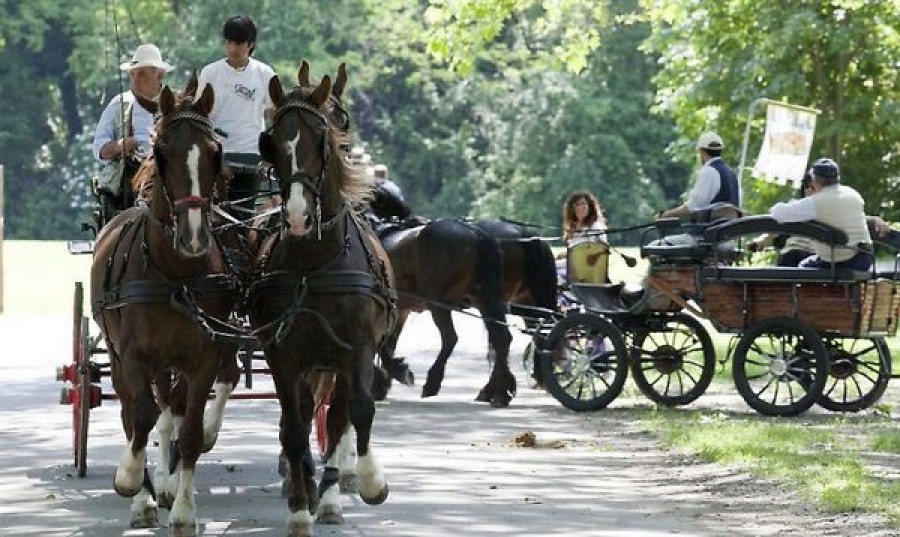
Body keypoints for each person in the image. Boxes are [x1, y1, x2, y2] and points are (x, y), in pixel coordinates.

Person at [198, 14, 276, 217]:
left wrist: (269, 156)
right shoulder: (210, 73)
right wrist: (217, 159)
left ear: (250, 45)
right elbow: (199, 119)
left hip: (251, 160)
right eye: (229, 42)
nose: (233, 48)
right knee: (213, 218)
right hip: (216, 158)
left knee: (243, 220)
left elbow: (275, 115)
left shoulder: (264, 74)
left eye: (239, 43)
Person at [92, 43, 174, 210]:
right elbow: (99, 150)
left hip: (170, 180)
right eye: (132, 75)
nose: (136, 81)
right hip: (129, 185)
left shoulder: (175, 105)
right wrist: (123, 144)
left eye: (143, 75)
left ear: (160, 75)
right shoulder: (119, 105)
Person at [769, 158, 873, 270]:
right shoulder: (853, 194)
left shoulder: (815, 202)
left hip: (838, 262)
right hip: (864, 257)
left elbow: (777, 213)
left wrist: (795, 203)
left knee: (802, 268)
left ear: (813, 180)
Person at [657, 131, 740, 219]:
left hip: (709, 228)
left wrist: (666, 214)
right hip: (731, 228)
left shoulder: (708, 171)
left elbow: (693, 207)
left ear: (702, 151)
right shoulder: (732, 173)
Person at [746, 172, 816, 266]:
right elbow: (775, 228)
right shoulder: (796, 207)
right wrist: (760, 241)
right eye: (808, 187)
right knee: (790, 256)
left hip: (816, 256)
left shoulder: (830, 208)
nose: (810, 190)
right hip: (794, 252)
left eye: (813, 187)